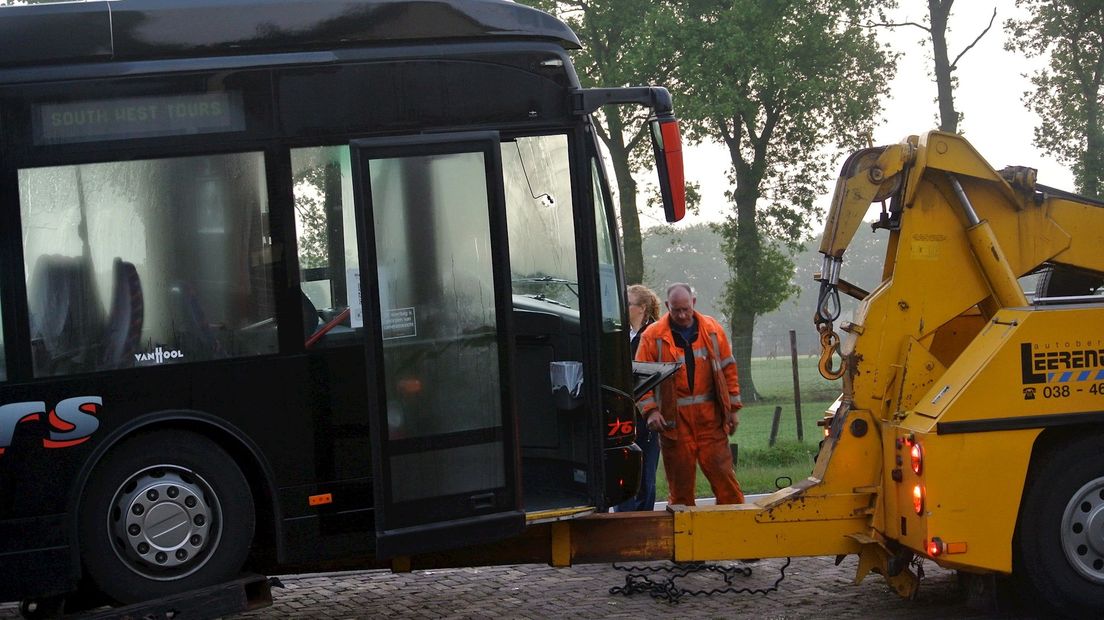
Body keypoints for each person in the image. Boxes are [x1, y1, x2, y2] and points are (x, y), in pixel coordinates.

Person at [635, 282, 744, 506]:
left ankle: (735, 533)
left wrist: (733, 410)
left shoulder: (712, 330)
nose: (682, 314)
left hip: (711, 423)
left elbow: (728, 370)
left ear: (693, 303)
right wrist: (650, 411)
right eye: (676, 310)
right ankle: (685, 538)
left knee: (727, 486)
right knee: (681, 494)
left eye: (686, 308)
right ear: (667, 306)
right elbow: (640, 378)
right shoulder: (653, 336)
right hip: (675, 426)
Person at [614, 284, 662, 512]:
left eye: (628, 304)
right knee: (623, 472)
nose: (623, 308)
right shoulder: (622, 335)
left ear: (642, 308)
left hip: (645, 416)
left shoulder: (654, 336)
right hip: (623, 415)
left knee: (644, 475)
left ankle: (642, 523)